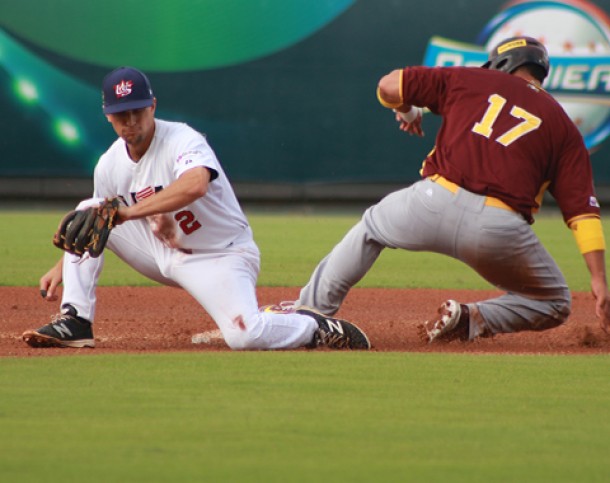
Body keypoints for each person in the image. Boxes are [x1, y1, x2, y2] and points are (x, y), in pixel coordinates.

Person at [22, 66, 370, 351]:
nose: (130, 121)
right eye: (120, 114)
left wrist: (126, 213)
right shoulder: (109, 164)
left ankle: (312, 326)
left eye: (137, 110)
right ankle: (75, 320)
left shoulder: (182, 140)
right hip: (158, 251)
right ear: (107, 117)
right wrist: (66, 263)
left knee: (245, 335)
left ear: (153, 106)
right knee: (92, 210)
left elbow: (195, 184)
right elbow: (95, 227)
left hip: (220, 255)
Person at [290, 36, 610, 342]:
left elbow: (388, 86)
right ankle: (471, 319)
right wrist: (598, 280)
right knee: (555, 302)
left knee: (371, 228)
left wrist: (407, 110)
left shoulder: (470, 78)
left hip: (431, 203)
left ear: (500, 63)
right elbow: (583, 214)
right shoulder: (565, 128)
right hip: (499, 230)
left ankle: (310, 313)